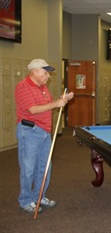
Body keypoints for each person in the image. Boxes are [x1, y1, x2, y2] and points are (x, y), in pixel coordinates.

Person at [15, 59, 74, 213]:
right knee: (28, 168)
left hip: (44, 132)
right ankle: (25, 200)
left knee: (45, 166)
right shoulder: (23, 86)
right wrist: (55, 104)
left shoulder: (43, 88)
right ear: (34, 71)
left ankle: (39, 196)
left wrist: (62, 100)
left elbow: (47, 106)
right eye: (45, 72)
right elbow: (32, 110)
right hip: (29, 132)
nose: (48, 76)